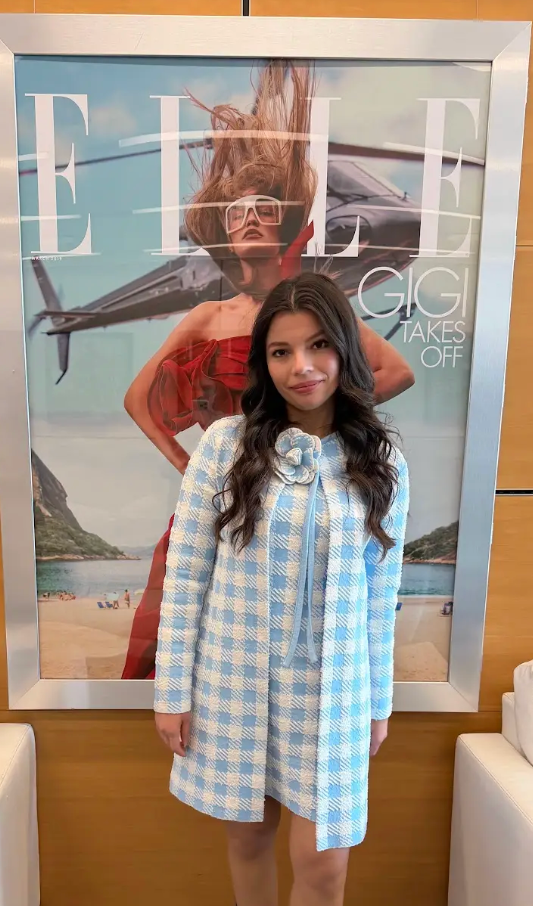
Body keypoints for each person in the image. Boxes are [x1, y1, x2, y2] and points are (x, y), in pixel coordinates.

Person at [153, 272, 409, 906]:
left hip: (333, 682)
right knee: (251, 833)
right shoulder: (227, 446)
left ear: (345, 350)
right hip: (234, 670)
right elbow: (188, 570)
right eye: (282, 350)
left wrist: (378, 701)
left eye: (319, 345)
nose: (303, 366)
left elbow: (383, 592)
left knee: (323, 859)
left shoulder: (380, 458)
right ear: (264, 362)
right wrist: (172, 689)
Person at [122, 62, 414, 680]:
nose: (251, 218)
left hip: (308, 498)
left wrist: (321, 423)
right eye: (237, 213)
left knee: (303, 645)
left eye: (263, 209)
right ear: (224, 235)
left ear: (282, 222)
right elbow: (138, 399)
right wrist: (191, 465)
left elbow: (393, 370)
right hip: (227, 490)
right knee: (178, 629)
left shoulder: (312, 308)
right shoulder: (208, 315)